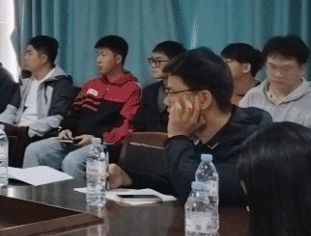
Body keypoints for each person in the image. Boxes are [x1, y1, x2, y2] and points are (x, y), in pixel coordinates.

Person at [107, 48, 270, 204]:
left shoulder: (251, 145)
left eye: (171, 92)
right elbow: (177, 180)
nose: (166, 102)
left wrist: (178, 137)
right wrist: (128, 179)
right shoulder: (203, 135)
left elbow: (197, 190)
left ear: (203, 100)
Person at [24, 35, 140, 177]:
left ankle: (77, 193)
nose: (98, 60)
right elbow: (74, 111)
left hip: (104, 145)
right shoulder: (91, 85)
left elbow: (126, 127)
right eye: (97, 54)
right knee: (34, 150)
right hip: (75, 141)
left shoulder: (132, 89)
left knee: (72, 161)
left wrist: (96, 138)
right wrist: (67, 129)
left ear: (118, 59)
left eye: (103, 55)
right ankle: (33, 190)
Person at [239, 35, 311, 134]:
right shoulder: (251, 97)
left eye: (286, 68)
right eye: (272, 67)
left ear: (302, 68)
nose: (278, 74)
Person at [5, 35, 75, 140]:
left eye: (29, 53)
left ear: (43, 58)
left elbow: (56, 119)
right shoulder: (26, 79)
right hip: (17, 132)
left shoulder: (61, 83)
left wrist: (26, 131)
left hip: (37, 136)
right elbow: (12, 109)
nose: (25, 57)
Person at [133, 40, 185, 132]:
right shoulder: (148, 92)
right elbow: (138, 125)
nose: (153, 65)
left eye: (159, 61)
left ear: (175, 62)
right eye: (152, 61)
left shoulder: (186, 93)